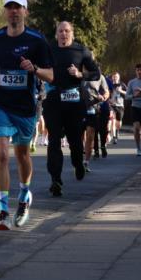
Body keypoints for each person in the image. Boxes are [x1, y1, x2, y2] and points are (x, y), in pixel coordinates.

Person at [0, 0, 53, 229]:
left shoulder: (36, 40)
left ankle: (25, 194)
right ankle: (2, 211)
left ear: (25, 12)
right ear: (5, 12)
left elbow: (51, 75)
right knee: (0, 153)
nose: (13, 11)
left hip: (25, 107)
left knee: (21, 155)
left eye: (17, 7)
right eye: (9, 7)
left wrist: (35, 68)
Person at [42, 21, 99, 197]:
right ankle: (55, 180)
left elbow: (96, 73)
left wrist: (80, 74)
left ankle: (78, 162)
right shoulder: (48, 49)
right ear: (56, 34)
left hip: (75, 101)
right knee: (53, 141)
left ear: (72, 34)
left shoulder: (81, 50)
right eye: (60, 31)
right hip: (54, 99)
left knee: (75, 139)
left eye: (67, 31)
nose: (64, 34)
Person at [82, 71, 110, 170]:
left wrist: (104, 97)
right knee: (78, 136)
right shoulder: (78, 73)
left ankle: (86, 162)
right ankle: (78, 159)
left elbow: (106, 91)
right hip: (79, 108)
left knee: (90, 135)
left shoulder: (100, 77)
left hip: (93, 108)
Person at [108, 71, 126, 143]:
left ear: (119, 77)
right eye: (114, 77)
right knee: (112, 120)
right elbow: (106, 92)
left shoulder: (122, 84)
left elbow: (127, 93)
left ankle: (117, 130)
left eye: (116, 77)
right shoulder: (110, 84)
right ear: (112, 78)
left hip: (120, 105)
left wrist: (121, 91)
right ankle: (114, 137)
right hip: (112, 105)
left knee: (119, 123)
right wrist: (108, 100)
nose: (115, 78)